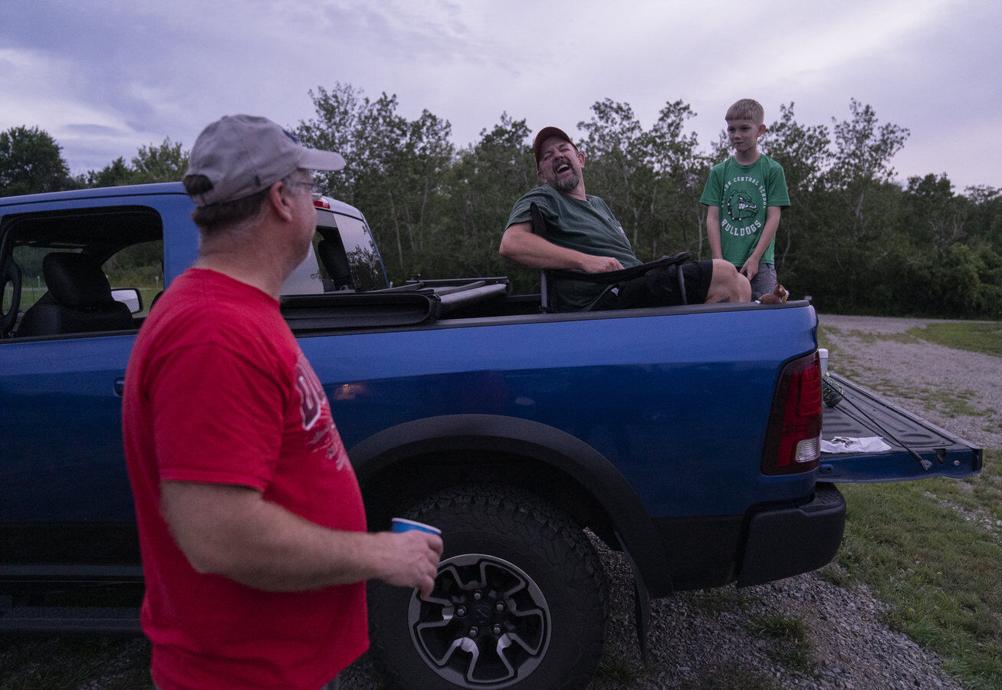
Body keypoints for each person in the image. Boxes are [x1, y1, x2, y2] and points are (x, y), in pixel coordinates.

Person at [122, 114, 443, 690]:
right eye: (308, 187)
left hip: (284, 662)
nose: (315, 201)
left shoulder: (240, 309)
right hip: (246, 673)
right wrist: (380, 556)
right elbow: (218, 533)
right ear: (280, 200)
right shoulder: (212, 331)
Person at [499, 126, 751, 311]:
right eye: (547, 155)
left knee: (740, 284)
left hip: (630, 285)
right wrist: (585, 261)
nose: (556, 155)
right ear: (542, 174)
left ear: (581, 159)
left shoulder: (599, 205)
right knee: (724, 274)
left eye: (564, 149)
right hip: (601, 298)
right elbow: (512, 243)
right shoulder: (544, 197)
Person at [700, 98, 791, 300]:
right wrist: (718, 261)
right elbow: (712, 218)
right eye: (731, 129)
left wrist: (756, 257)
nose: (737, 135)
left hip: (760, 263)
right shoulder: (718, 172)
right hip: (725, 264)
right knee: (723, 321)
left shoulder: (773, 170)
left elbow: (773, 217)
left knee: (764, 318)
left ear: (760, 130)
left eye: (744, 128)